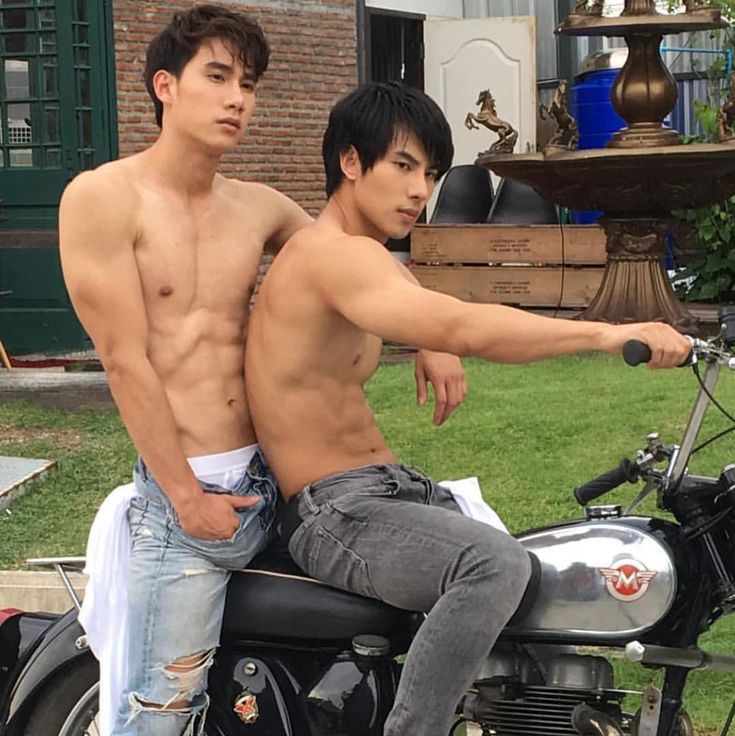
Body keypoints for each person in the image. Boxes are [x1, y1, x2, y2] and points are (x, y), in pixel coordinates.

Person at [60, 9, 465, 734]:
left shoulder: (258, 207)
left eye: (248, 84)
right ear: (165, 86)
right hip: (185, 503)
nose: (237, 99)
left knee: (314, 678)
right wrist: (187, 499)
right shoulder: (104, 198)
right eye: (217, 77)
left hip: (271, 485)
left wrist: (432, 331)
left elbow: (349, 260)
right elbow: (125, 361)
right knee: (163, 711)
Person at [244, 81, 693, 736]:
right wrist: (605, 333)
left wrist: (430, 339)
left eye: (430, 174)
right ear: (350, 161)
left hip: (384, 491)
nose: (418, 190)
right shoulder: (330, 255)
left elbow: (411, 299)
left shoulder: (359, 255)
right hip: (335, 512)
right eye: (403, 166)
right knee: (493, 564)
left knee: (556, 572)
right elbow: (462, 323)